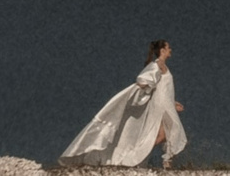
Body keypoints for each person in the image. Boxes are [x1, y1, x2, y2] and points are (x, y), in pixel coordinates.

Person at [62, 38, 187, 167]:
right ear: (162, 50)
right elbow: (145, 79)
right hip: (161, 105)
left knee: (166, 132)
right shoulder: (158, 64)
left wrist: (172, 102)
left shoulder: (163, 65)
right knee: (170, 130)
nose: (170, 49)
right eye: (168, 47)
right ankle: (146, 157)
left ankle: (159, 159)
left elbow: (163, 88)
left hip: (165, 103)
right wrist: (144, 85)